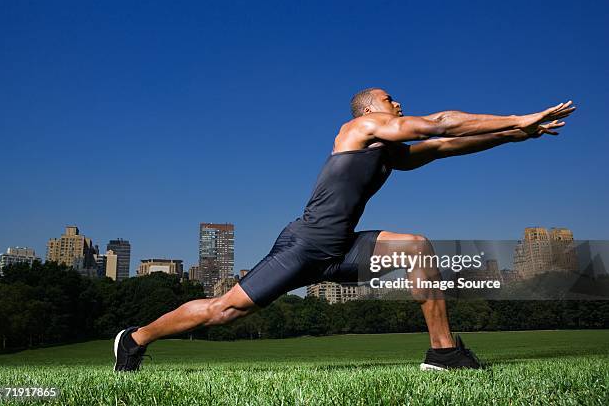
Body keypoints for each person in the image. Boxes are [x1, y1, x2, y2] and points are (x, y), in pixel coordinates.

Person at [113, 88, 575, 372]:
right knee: (224, 312)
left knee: (416, 247)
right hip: (304, 247)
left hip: (343, 249)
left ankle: (443, 353)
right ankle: (135, 339)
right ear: (373, 108)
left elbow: (445, 144)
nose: (399, 103)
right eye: (392, 99)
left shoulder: (387, 152)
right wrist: (518, 116)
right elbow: (438, 123)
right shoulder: (359, 127)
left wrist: (519, 134)